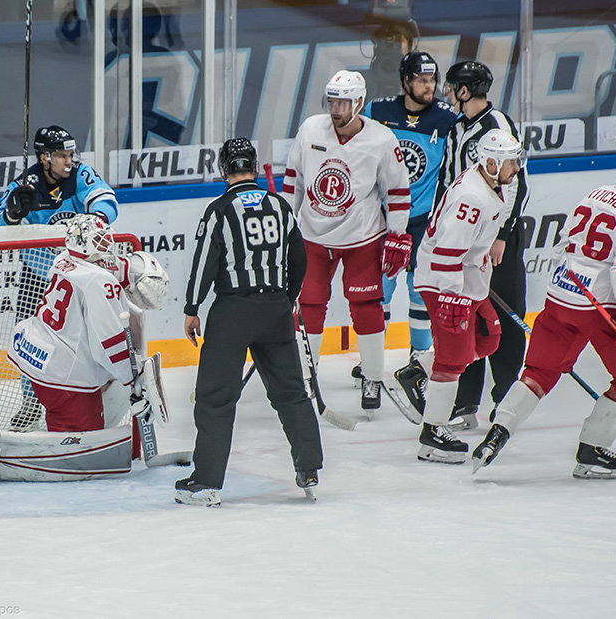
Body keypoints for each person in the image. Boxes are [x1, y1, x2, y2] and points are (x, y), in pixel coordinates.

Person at [473, 151, 616, 479]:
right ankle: (591, 451)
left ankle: (498, 432)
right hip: (598, 306)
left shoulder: (593, 195)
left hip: (561, 293)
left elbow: (561, 248)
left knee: (538, 373)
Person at [0, 214, 171, 485]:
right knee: (76, 452)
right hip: (65, 379)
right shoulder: (101, 283)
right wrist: (132, 379)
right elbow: (109, 342)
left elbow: (99, 269)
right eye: (100, 240)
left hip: (37, 358)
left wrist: (129, 268)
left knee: (76, 427)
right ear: (85, 245)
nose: (107, 245)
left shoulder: (63, 258)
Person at [178, 138, 322, 507]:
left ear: (223, 170)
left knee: (214, 399)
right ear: (254, 169)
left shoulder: (220, 210)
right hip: (275, 309)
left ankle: (206, 481)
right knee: (290, 391)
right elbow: (300, 260)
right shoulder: (280, 206)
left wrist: (192, 307)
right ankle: (309, 467)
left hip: (233, 312)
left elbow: (204, 263)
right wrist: (285, 299)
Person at [282, 70, 412, 416]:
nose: (336, 109)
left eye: (343, 102)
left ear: (359, 103)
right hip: (312, 234)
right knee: (309, 306)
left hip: (362, 236)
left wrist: (397, 235)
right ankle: (307, 378)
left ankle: (371, 377)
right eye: (332, 101)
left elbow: (397, 193)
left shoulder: (382, 140)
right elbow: (293, 180)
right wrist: (284, 226)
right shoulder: (311, 129)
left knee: (366, 305)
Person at [412, 129, 525, 463]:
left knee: (488, 339)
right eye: (511, 162)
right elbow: (446, 252)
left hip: (468, 279)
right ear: (491, 162)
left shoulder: (489, 183)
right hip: (444, 282)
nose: (516, 168)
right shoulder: (471, 198)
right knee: (454, 357)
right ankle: (432, 433)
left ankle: (417, 370)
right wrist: (451, 298)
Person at [0, 125, 118, 428]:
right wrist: (13, 213)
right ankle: (30, 402)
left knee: (92, 336)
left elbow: (108, 202)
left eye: (70, 154)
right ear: (44, 157)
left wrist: (95, 218)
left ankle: (100, 391)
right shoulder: (23, 185)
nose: (68, 161)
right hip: (38, 277)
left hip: (81, 277)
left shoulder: (80, 175)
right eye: (61, 156)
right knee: (29, 339)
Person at [431, 60, 530, 430]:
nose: (448, 91)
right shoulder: (456, 127)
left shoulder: (498, 126)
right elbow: (446, 180)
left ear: (465, 90)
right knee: (466, 313)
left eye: (453, 86)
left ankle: (505, 398)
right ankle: (464, 402)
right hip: (467, 234)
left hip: (496, 235)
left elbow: (517, 184)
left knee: (504, 318)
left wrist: (501, 234)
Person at [355, 51, 459, 391]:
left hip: (423, 219)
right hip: (382, 217)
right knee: (379, 292)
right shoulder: (378, 111)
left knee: (419, 291)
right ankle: (371, 362)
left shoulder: (447, 119)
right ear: (405, 82)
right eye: (422, 80)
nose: (429, 86)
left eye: (432, 80)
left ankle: (419, 358)